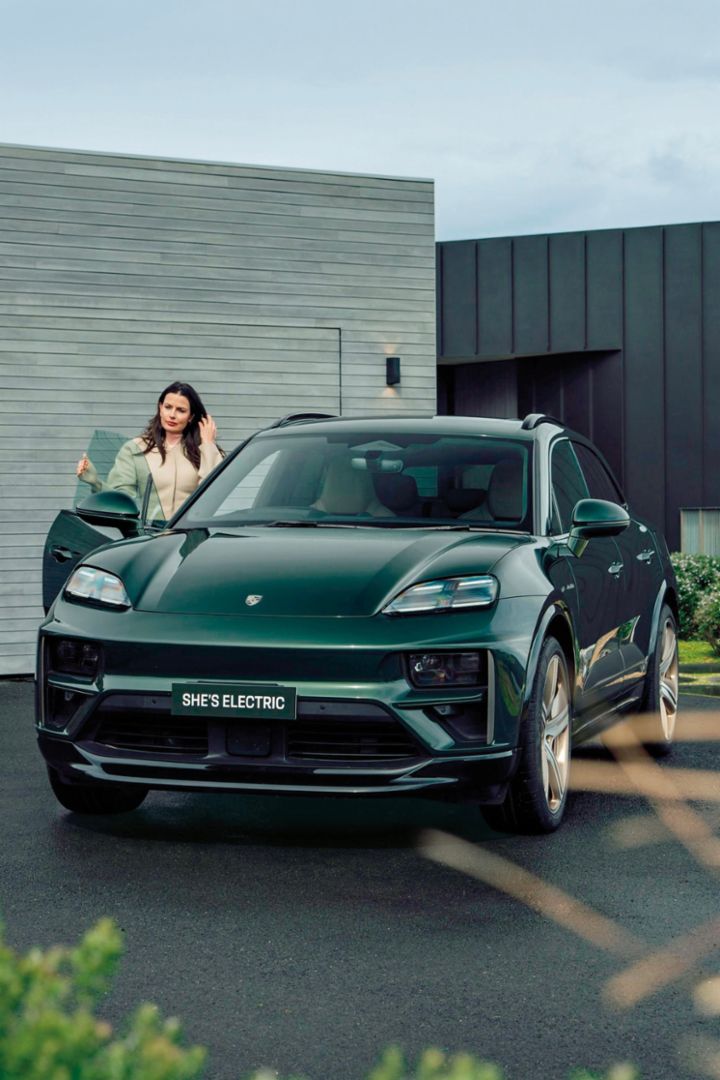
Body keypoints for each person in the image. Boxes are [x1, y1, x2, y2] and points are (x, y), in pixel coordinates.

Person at [77, 381, 223, 519]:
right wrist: (95, 482)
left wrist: (208, 445)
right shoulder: (135, 449)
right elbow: (122, 501)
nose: (172, 415)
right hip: (150, 536)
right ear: (160, 408)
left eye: (181, 410)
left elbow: (214, 492)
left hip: (192, 536)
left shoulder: (204, 450)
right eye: (168, 407)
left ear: (191, 416)